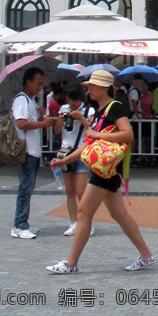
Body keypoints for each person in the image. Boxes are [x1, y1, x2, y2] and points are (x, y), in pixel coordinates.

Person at [46, 70, 155, 274]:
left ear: (104, 87)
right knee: (119, 215)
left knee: (84, 212)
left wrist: (95, 133)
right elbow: (90, 144)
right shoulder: (99, 111)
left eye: (92, 86)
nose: (89, 89)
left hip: (105, 171)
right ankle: (146, 255)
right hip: (106, 170)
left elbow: (127, 134)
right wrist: (65, 160)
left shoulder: (115, 108)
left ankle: (71, 263)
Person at [11, 67, 53, 239]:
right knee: (25, 188)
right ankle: (19, 225)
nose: (40, 87)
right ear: (28, 82)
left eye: (42, 84)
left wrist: (41, 118)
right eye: (38, 83)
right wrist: (42, 124)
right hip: (27, 150)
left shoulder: (31, 101)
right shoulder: (21, 100)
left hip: (34, 150)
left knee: (28, 188)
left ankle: (23, 223)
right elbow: (21, 124)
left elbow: (31, 123)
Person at [54, 84, 92, 235]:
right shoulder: (64, 109)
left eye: (74, 102)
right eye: (69, 101)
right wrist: (62, 118)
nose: (72, 105)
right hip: (65, 152)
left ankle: (87, 223)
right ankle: (74, 222)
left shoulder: (89, 110)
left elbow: (91, 129)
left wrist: (80, 118)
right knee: (70, 191)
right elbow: (57, 130)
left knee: (81, 191)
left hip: (82, 152)